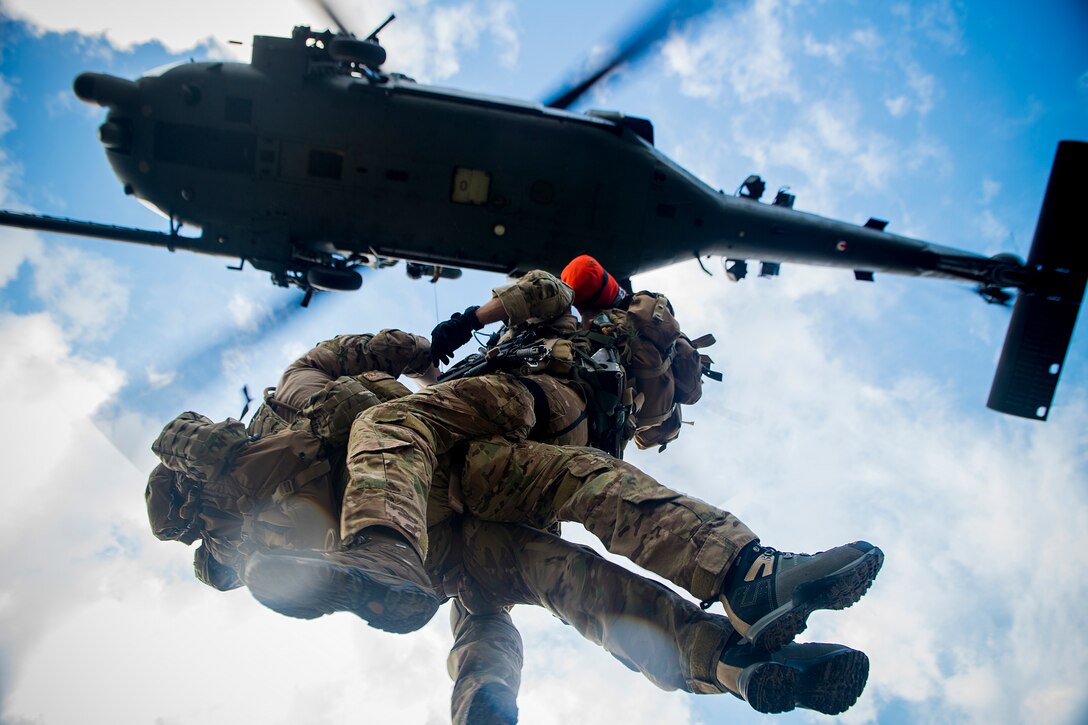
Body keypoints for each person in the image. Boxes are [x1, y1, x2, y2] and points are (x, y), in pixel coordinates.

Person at [146, 329, 872, 721]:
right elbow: (364, 352)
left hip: (430, 513)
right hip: (432, 499)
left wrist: (427, 348)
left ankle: (729, 652)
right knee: (573, 531)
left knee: (546, 579)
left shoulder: (248, 486)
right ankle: (742, 611)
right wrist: (421, 349)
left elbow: (362, 354)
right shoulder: (278, 428)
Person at [245, 257, 885, 657]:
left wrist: (470, 320)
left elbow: (558, 282)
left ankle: (386, 554)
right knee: (555, 568)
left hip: (524, 400)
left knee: (396, 423)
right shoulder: (650, 386)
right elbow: (653, 435)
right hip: (538, 455)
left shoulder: (580, 321)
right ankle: (737, 629)